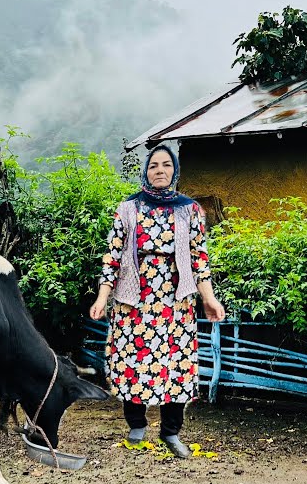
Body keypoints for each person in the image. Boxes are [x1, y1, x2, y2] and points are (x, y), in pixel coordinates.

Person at [89, 144, 225, 458]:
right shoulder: (128, 208)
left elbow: (198, 259)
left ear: (174, 171)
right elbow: (112, 257)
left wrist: (210, 299)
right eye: (153, 166)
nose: (160, 170)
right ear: (146, 172)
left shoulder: (190, 209)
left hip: (176, 301)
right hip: (133, 299)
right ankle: (136, 426)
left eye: (166, 165)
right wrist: (102, 297)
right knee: (133, 362)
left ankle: (171, 432)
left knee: (176, 365)